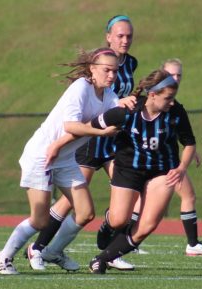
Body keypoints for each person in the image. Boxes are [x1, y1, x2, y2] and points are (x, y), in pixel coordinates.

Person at [0, 47, 135, 275]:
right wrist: (100, 132)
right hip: (42, 154)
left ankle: (52, 252)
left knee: (85, 212)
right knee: (39, 220)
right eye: (107, 70)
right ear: (92, 69)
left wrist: (127, 105)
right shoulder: (80, 88)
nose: (112, 76)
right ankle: (4, 256)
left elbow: (114, 114)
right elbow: (71, 126)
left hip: (65, 159)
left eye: (115, 71)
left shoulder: (108, 95)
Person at [25, 15, 137, 271]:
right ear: (108, 36)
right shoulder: (98, 68)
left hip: (109, 140)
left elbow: (115, 103)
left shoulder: (130, 63)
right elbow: (87, 114)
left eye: (129, 36)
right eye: (119, 35)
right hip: (88, 139)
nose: (125, 40)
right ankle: (39, 247)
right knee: (70, 200)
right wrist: (60, 143)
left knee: (128, 191)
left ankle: (110, 250)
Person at [88, 68, 197, 274]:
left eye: (174, 97)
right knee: (120, 220)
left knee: (146, 225)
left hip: (162, 171)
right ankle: (109, 221)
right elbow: (92, 124)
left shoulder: (175, 112)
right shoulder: (126, 111)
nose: (172, 102)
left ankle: (102, 259)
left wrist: (182, 167)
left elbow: (189, 143)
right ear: (153, 95)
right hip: (128, 169)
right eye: (168, 98)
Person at [129, 58, 202, 255]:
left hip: (166, 161)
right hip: (150, 162)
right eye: (171, 74)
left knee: (179, 196)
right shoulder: (144, 104)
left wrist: (189, 153)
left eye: (179, 75)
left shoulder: (173, 107)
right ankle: (129, 240)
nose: (176, 78)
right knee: (141, 201)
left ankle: (131, 240)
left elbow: (181, 136)